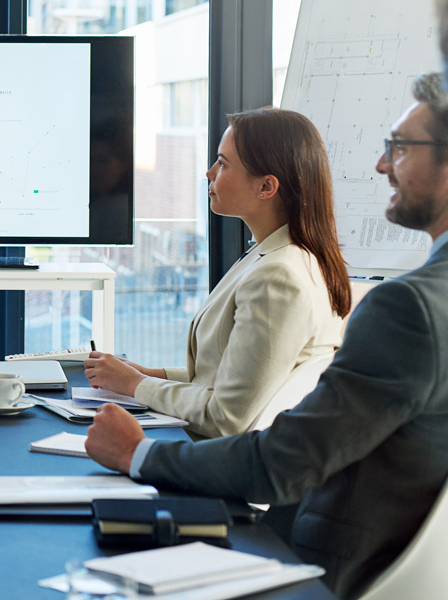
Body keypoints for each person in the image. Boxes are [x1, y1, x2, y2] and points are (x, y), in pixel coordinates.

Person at [85, 72, 448, 600]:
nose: (380, 165)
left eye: (399, 147)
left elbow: (279, 461)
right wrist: (144, 379)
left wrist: (137, 455)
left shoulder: (406, 306)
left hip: (319, 561)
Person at [85, 107, 347, 438]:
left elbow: (226, 417)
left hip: (212, 461)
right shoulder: (272, 254)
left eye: (223, 164)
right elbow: (228, 379)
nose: (209, 173)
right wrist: (149, 375)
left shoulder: (278, 277)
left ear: (266, 186)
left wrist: (136, 385)